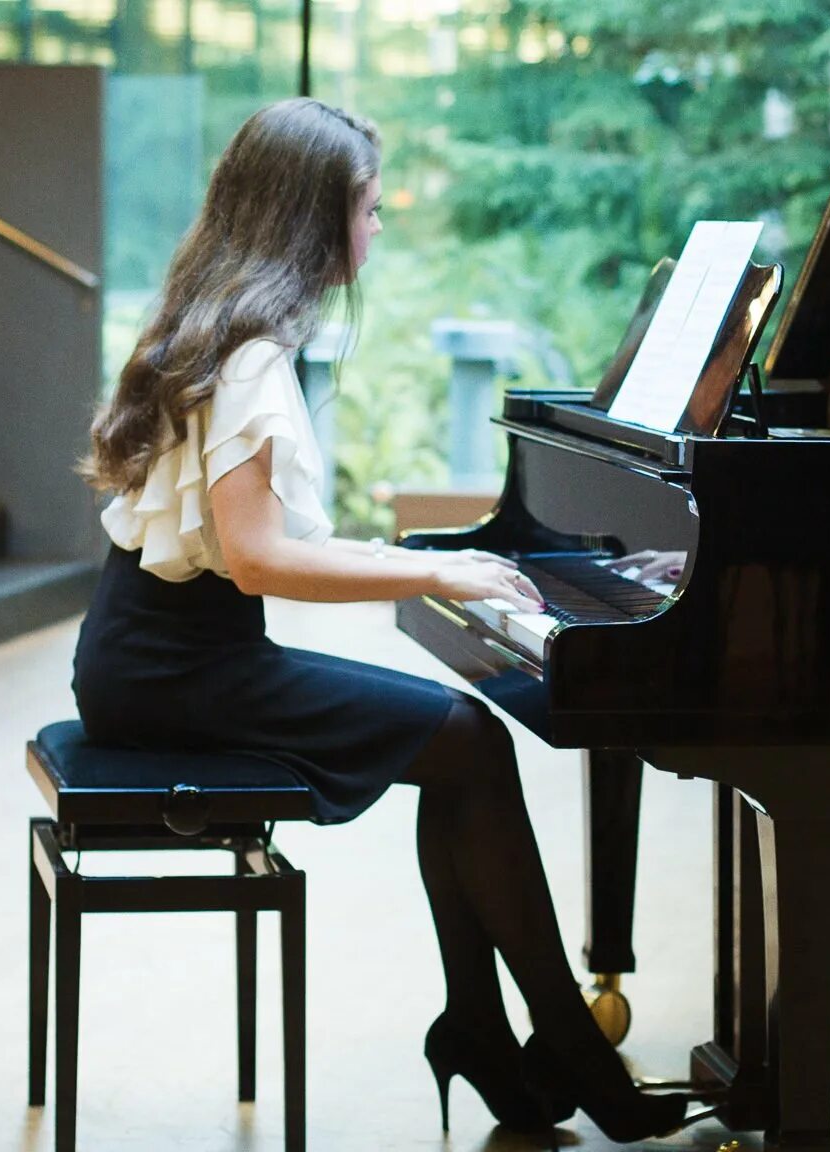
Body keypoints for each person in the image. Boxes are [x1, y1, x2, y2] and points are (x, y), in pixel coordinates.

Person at [70, 97, 692, 1143]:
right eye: (367, 206)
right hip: (174, 671)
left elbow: (254, 540)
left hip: (148, 652)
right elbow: (261, 558)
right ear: (315, 220)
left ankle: (486, 1030)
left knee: (456, 749)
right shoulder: (253, 359)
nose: (377, 227)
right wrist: (438, 580)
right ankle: (560, 1050)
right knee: (465, 739)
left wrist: (441, 562)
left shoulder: (215, 326)